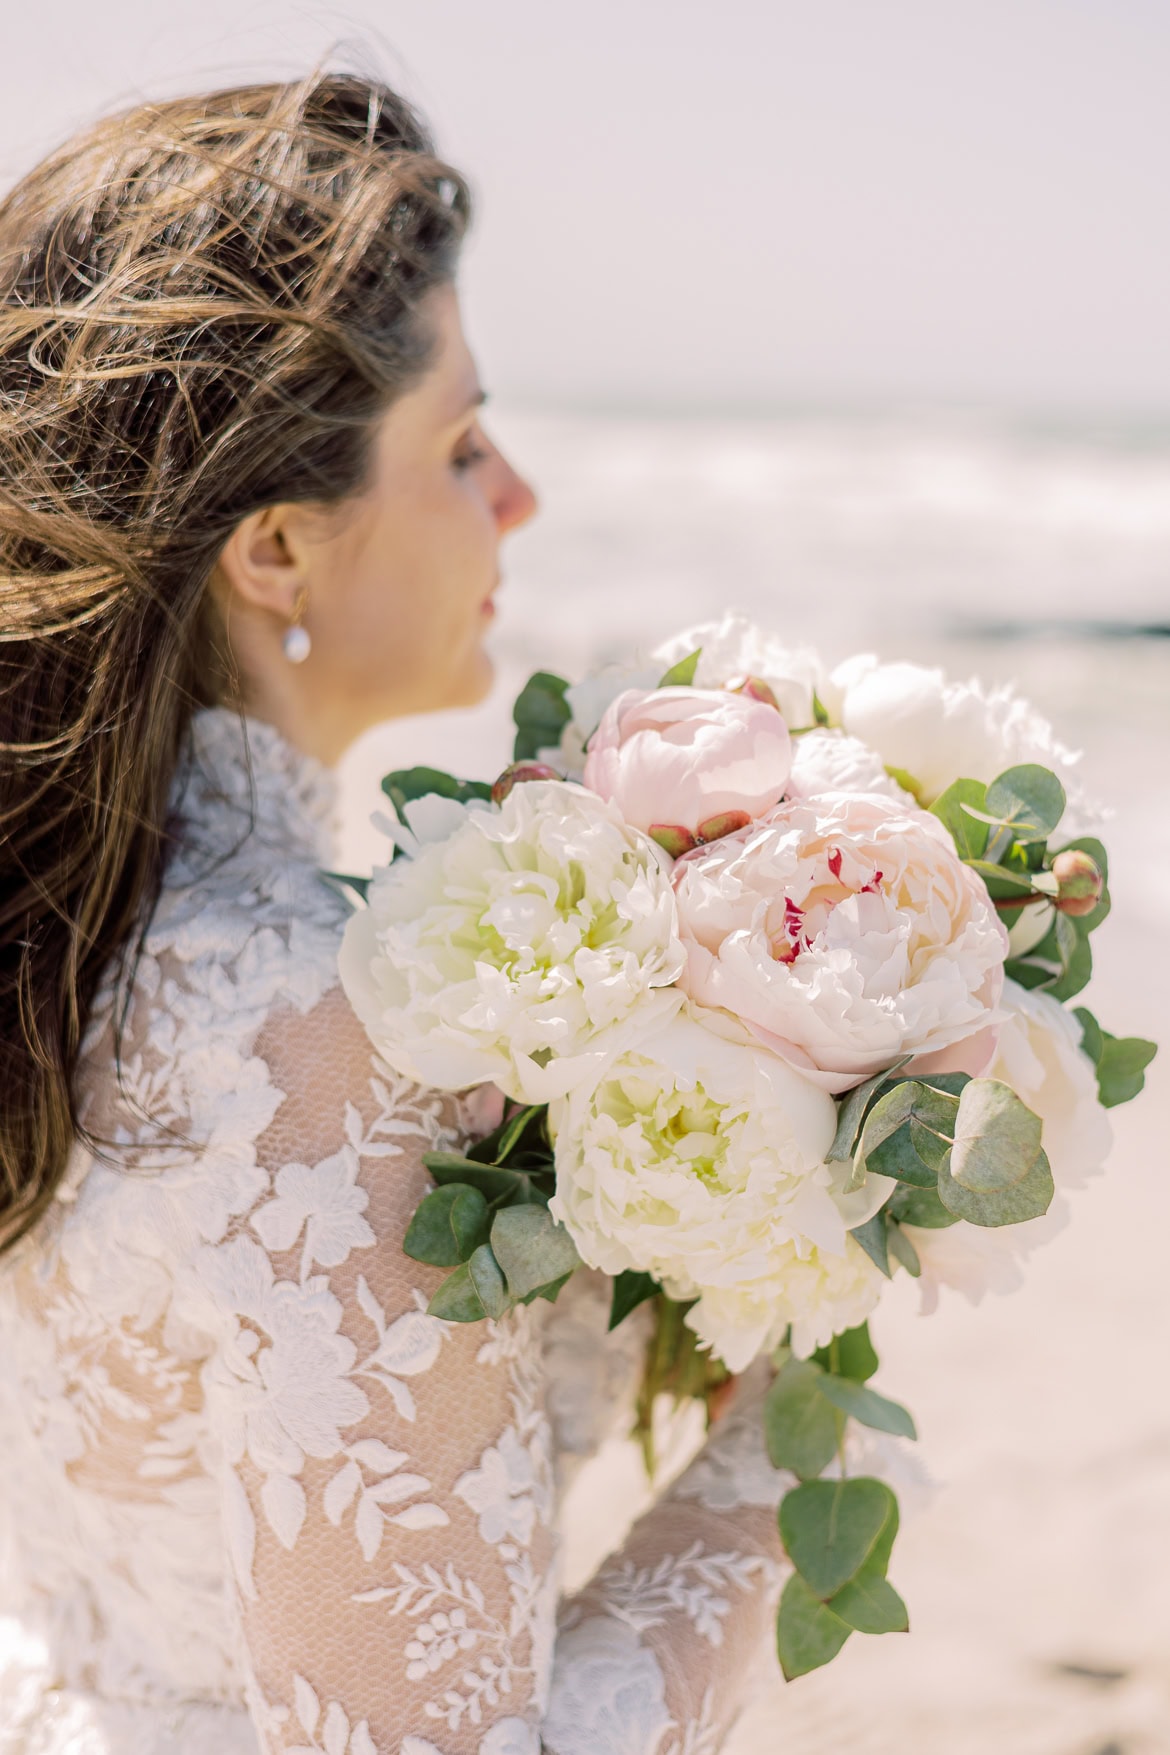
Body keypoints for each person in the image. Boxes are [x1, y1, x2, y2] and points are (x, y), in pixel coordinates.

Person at [0, 71, 788, 1754]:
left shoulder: (59, 932)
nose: (514, 498)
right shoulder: (331, 1038)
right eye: (455, 443)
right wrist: (807, 1455)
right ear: (276, 548)